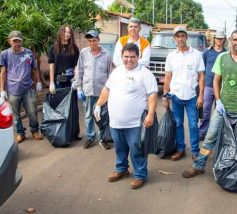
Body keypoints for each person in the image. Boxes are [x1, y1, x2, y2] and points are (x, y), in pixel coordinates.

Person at [182, 29, 237, 178]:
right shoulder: (222, 58)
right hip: (222, 108)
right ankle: (199, 165)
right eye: (235, 39)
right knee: (210, 136)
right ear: (231, 40)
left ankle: (232, 171)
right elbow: (216, 80)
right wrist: (218, 101)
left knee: (236, 141)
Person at [93, 43, 158, 189]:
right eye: (126, 57)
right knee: (120, 148)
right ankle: (121, 169)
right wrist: (98, 105)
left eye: (132, 57)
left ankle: (140, 175)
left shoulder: (145, 73)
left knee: (137, 149)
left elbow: (152, 95)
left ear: (138, 57)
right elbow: (106, 89)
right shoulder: (116, 72)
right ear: (122, 56)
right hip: (115, 121)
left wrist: (151, 115)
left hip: (135, 123)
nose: (129, 60)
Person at [163, 26, 205, 161]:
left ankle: (195, 151)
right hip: (176, 96)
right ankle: (180, 149)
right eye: (177, 36)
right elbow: (168, 76)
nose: (180, 39)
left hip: (192, 96)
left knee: (193, 125)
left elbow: (202, 76)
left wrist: (201, 96)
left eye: (182, 36)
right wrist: (165, 95)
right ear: (174, 38)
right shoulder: (171, 56)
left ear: (186, 37)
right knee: (178, 124)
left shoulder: (196, 54)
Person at [0, 30, 43, 143]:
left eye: (19, 41)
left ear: (22, 41)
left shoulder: (28, 53)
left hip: (28, 88)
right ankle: (20, 133)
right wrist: (2, 89)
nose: (17, 43)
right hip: (12, 90)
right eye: (14, 41)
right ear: (9, 41)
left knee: (32, 111)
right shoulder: (5, 54)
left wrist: (38, 82)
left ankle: (34, 130)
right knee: (15, 114)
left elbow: (35, 68)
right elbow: (3, 72)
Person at [74, 29, 113, 149]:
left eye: (94, 40)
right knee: (88, 115)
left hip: (102, 91)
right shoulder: (84, 53)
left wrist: (110, 90)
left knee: (102, 116)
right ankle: (91, 138)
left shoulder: (106, 54)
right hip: (88, 90)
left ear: (98, 40)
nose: (92, 43)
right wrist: (79, 88)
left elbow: (110, 73)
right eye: (90, 41)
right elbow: (79, 70)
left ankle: (103, 138)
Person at [47, 25, 82, 141]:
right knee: (59, 107)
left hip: (70, 81)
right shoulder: (53, 48)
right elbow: (51, 66)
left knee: (73, 107)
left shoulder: (74, 49)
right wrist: (51, 82)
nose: (67, 34)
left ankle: (75, 132)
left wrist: (76, 80)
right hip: (58, 81)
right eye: (65, 32)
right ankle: (60, 132)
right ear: (60, 33)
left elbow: (76, 66)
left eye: (69, 33)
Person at [198, 30, 227, 140]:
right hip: (208, 86)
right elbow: (201, 69)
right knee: (206, 110)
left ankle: (218, 132)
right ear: (214, 39)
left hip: (222, 87)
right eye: (217, 38)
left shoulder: (226, 53)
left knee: (220, 111)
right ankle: (202, 132)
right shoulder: (207, 52)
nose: (219, 40)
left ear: (224, 39)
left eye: (221, 38)